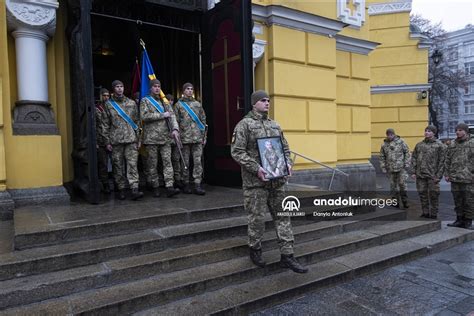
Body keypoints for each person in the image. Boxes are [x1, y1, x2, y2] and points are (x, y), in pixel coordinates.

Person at [231, 90, 308, 274]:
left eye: (268, 100)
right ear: (254, 103)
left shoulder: (275, 125)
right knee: (257, 219)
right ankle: (255, 249)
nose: (267, 103)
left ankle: (287, 256)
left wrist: (287, 164)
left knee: (283, 217)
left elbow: (285, 148)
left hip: (277, 181)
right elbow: (237, 151)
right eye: (263, 100)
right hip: (256, 183)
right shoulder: (244, 125)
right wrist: (257, 168)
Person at [103, 80, 143, 200]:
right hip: (116, 141)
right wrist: (107, 142)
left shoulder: (131, 103)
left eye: (121, 86)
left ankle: (134, 189)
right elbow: (105, 124)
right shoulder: (109, 105)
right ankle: (121, 189)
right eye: (117, 87)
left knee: (132, 165)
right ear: (113, 89)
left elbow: (137, 122)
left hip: (131, 139)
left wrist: (139, 139)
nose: (120, 89)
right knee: (118, 166)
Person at [140, 79, 180, 198]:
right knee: (153, 164)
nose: (157, 88)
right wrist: (162, 115)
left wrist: (175, 129)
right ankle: (156, 186)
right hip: (151, 138)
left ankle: (169, 186)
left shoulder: (165, 102)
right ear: (151, 88)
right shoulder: (145, 101)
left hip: (165, 138)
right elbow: (144, 116)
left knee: (167, 163)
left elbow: (172, 116)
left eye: (159, 86)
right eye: (155, 86)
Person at [175, 83, 206, 195]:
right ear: (183, 91)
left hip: (197, 138)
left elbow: (203, 121)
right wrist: (177, 137)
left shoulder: (197, 104)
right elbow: (176, 122)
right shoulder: (178, 105)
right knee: (185, 162)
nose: (190, 91)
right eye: (188, 89)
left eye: (192, 89)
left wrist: (204, 137)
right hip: (185, 138)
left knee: (197, 162)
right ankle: (186, 183)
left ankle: (197, 184)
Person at [410, 125, 446, 219]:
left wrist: (438, 176)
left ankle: (434, 213)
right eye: (426, 130)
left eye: (429, 131)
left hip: (432, 176)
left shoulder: (440, 145)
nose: (427, 132)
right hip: (420, 175)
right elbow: (414, 158)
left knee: (434, 195)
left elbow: (442, 162)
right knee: (422, 194)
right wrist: (413, 172)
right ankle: (425, 212)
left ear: (434, 133)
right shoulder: (419, 145)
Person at [445, 123, 474, 229]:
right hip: (455, 177)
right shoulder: (452, 144)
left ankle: (468, 221)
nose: (457, 132)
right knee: (457, 200)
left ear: (466, 131)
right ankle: (459, 219)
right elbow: (447, 160)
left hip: (469, 178)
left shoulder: (472, 143)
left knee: (469, 201)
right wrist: (447, 174)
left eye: (460, 130)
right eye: (456, 130)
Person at [380, 128, 411, 209]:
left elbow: (407, 152)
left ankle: (405, 202)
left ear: (394, 134)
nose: (389, 136)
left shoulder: (401, 142)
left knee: (402, 185)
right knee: (393, 186)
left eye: (391, 134)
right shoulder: (384, 145)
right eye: (388, 135)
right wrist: (383, 167)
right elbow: (382, 156)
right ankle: (395, 202)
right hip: (390, 169)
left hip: (401, 168)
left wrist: (407, 163)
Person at [166, 93, 185, 190]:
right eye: (168, 100)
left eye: (171, 100)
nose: (170, 102)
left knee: (176, 159)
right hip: (167, 139)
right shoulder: (164, 109)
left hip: (176, 139)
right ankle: (169, 181)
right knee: (167, 161)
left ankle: (177, 179)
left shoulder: (175, 110)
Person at [96, 88, 111, 194]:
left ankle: (120, 185)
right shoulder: (96, 109)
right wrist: (95, 142)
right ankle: (105, 185)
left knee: (117, 163)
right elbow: (94, 126)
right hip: (101, 140)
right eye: (104, 95)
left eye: (107, 95)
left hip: (114, 139)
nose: (106, 97)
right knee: (103, 165)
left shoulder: (112, 107)